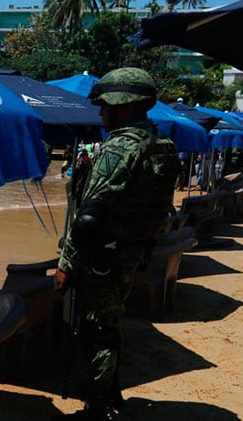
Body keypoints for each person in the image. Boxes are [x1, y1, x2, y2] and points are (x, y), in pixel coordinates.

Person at [54, 68, 180, 420]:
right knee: (109, 324)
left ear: (122, 107)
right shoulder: (161, 145)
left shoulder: (122, 147)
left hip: (104, 257)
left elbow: (89, 218)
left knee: (95, 330)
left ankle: (96, 406)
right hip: (132, 251)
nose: (100, 113)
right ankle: (109, 393)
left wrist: (66, 266)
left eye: (104, 106)